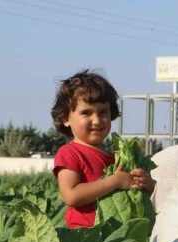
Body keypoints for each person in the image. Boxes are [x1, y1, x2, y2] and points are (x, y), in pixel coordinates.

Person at [51, 69, 154, 229]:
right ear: (65, 118)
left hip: (115, 234)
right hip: (85, 237)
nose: (97, 120)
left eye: (103, 112)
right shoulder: (69, 153)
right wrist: (115, 181)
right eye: (86, 113)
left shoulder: (117, 158)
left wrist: (144, 183)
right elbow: (71, 196)